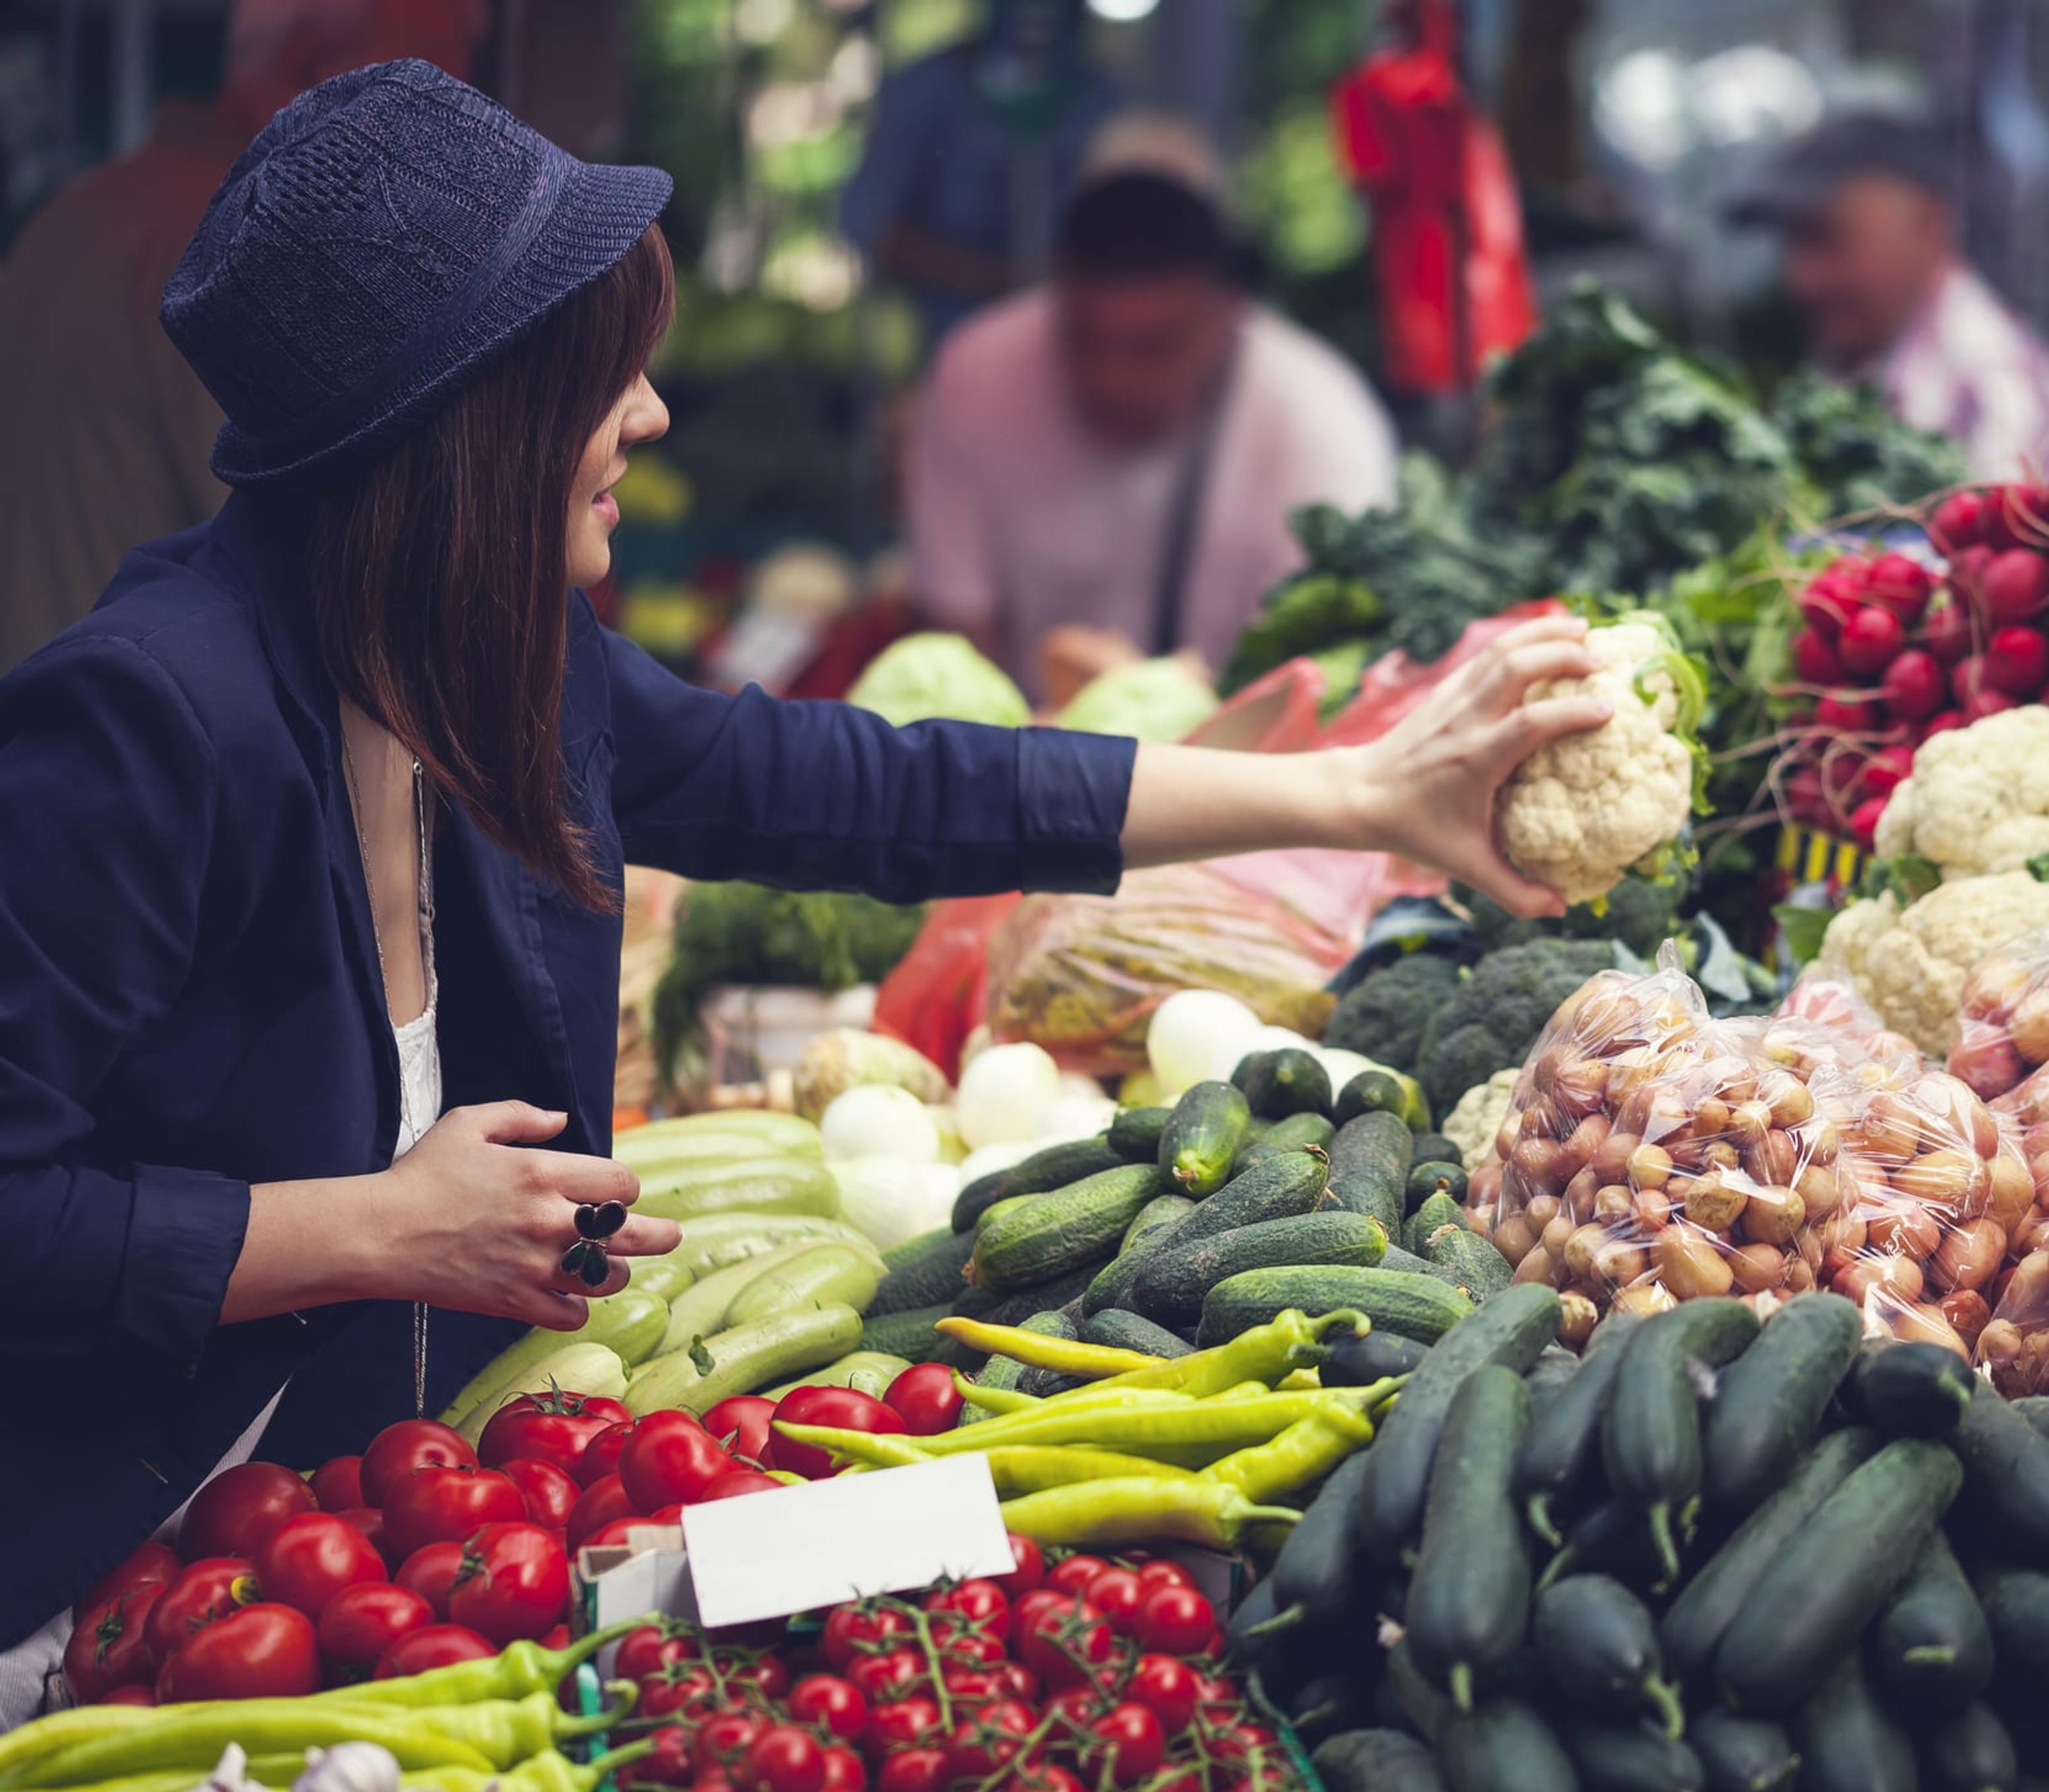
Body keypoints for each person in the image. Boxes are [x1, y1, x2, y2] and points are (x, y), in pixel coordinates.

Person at [0, 60, 1610, 1700]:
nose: (651, 412)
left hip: (351, 1561)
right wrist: (374, 1229)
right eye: (602, 373)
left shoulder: (494, 657)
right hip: (100, 1588)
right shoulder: (144, 721)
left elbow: (878, 789)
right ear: (469, 426)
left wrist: (1359, 791)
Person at [0, 0, 483, 677]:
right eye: (440, 79)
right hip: (152, 747)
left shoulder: (78, 214)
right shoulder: (251, 247)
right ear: (308, 64)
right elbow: (332, 574)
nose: (465, 131)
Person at [907, 146, 1398, 700]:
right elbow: (955, 641)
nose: (1112, 377)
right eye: (1083, 339)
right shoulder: (977, 375)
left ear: (1230, 313)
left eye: (1154, 347)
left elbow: (1337, 683)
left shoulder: (1324, 422)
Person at [1728, 113, 2049, 482]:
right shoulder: (1852, 365)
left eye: (1827, 238)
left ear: (1929, 222)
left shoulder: (1998, 399)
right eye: (1791, 245)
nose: (1802, 280)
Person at [838, 0, 1115, 349]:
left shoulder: (1105, 102)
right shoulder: (925, 91)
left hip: (1075, 353)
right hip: (950, 343)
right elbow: (870, 224)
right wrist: (996, 280)